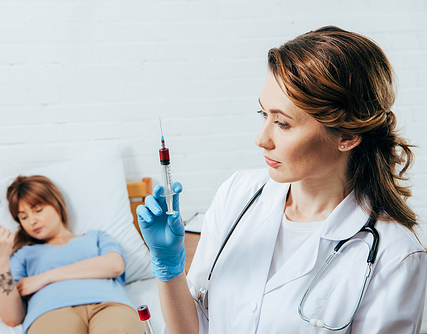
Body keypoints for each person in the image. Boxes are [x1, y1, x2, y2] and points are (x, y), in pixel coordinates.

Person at [137, 26, 427, 333]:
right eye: (263, 114)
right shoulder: (237, 195)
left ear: (347, 135)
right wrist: (168, 269)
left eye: (283, 123)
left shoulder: (395, 257)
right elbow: (193, 327)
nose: (261, 139)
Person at [0, 175, 143, 334]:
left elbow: (115, 265)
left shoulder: (95, 237)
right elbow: (11, 317)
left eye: (38, 210)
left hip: (110, 304)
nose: (32, 221)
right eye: (23, 217)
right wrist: (0, 260)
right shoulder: (24, 255)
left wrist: (44, 277)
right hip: (50, 312)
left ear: (56, 204)